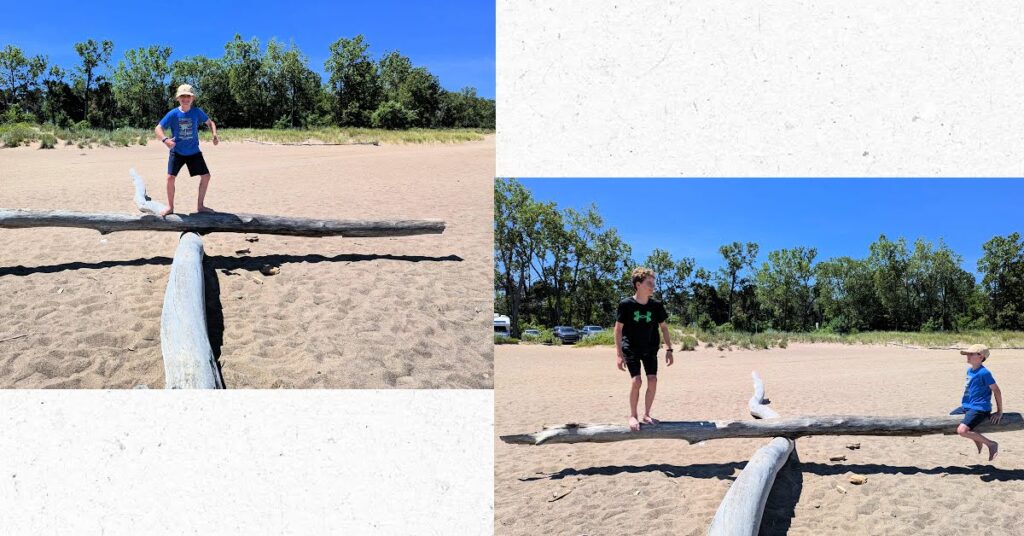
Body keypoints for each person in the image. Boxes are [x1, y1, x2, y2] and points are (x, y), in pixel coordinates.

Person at [615, 267, 674, 431]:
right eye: (649, 283)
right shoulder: (626, 305)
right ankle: (633, 415)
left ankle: (646, 414)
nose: (652, 286)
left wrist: (669, 349)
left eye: (653, 282)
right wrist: (619, 354)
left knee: (653, 380)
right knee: (637, 381)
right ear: (638, 284)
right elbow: (618, 329)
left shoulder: (656, 306)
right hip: (631, 348)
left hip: (650, 347)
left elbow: (664, 328)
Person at [154, 84, 219, 217]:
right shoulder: (173, 114)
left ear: (192, 98)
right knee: (170, 178)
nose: (185, 98)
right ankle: (170, 207)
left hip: (194, 152)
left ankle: (200, 206)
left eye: (188, 96)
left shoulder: (197, 112)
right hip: (177, 151)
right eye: (182, 96)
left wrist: (214, 134)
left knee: (206, 177)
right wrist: (165, 140)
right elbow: (158, 128)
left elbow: (210, 122)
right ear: (178, 98)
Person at [949, 344, 1003, 461]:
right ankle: (977, 438)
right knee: (950, 417)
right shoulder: (970, 370)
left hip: (980, 408)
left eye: (971, 354)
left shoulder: (984, 373)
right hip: (967, 406)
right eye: (967, 354)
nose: (967, 356)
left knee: (962, 431)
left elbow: (997, 391)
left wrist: (999, 411)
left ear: (981, 356)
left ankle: (991, 444)